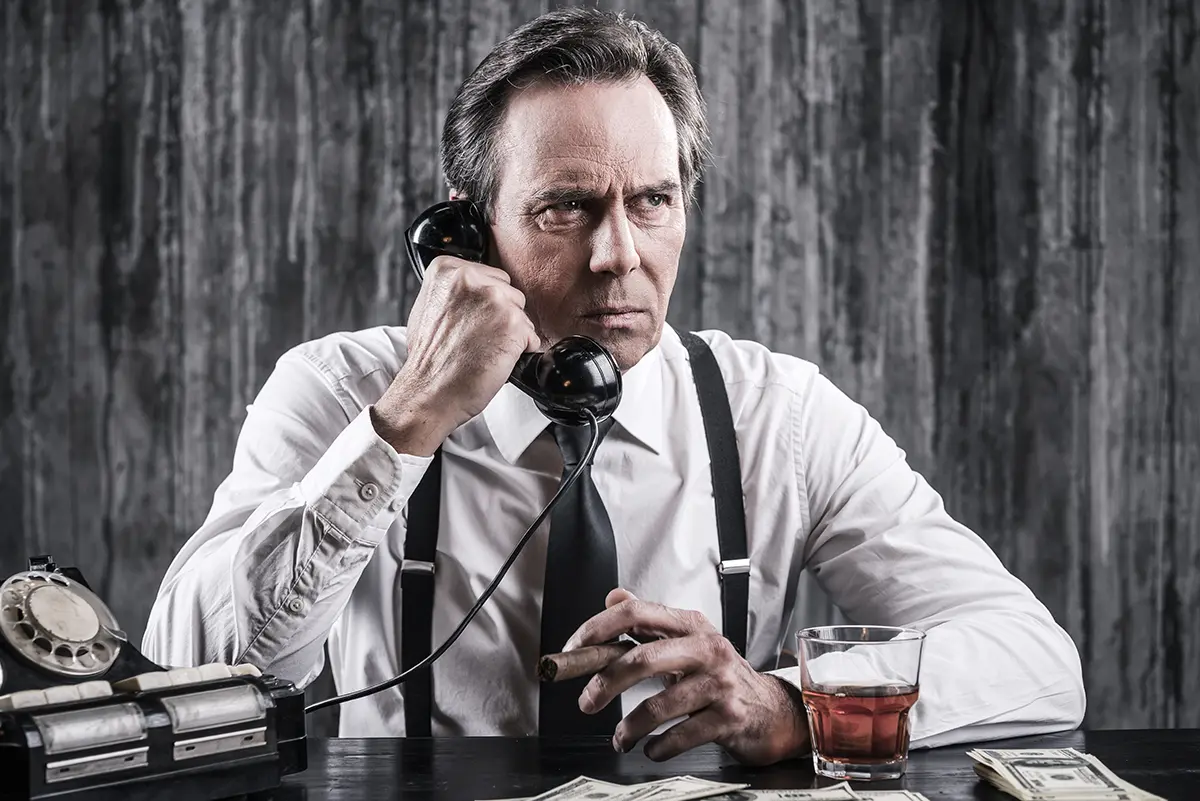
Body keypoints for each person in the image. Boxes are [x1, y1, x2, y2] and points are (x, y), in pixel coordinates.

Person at [142, 8, 1085, 766]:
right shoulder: (340, 389)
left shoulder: (781, 415)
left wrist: (789, 704)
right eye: (566, 206)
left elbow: (1037, 664)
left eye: (652, 201)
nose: (618, 256)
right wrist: (404, 425)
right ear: (469, 234)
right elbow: (193, 674)